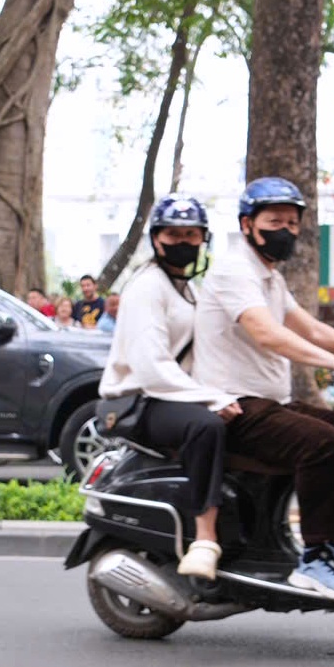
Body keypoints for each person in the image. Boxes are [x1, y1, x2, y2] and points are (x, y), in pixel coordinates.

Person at [195, 176, 334, 597]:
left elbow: (311, 329)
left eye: (293, 223)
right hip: (233, 406)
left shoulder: (270, 277)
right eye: (275, 221)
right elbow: (267, 333)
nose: (286, 231)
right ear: (247, 225)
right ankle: (313, 559)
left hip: (267, 403)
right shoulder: (234, 270)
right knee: (319, 442)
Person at [99, 196, 236, 579]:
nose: (183, 242)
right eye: (174, 234)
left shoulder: (187, 289)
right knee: (205, 426)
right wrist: (212, 399)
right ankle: (205, 538)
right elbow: (152, 369)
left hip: (165, 394)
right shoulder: (147, 287)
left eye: (191, 234)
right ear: (157, 240)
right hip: (138, 400)